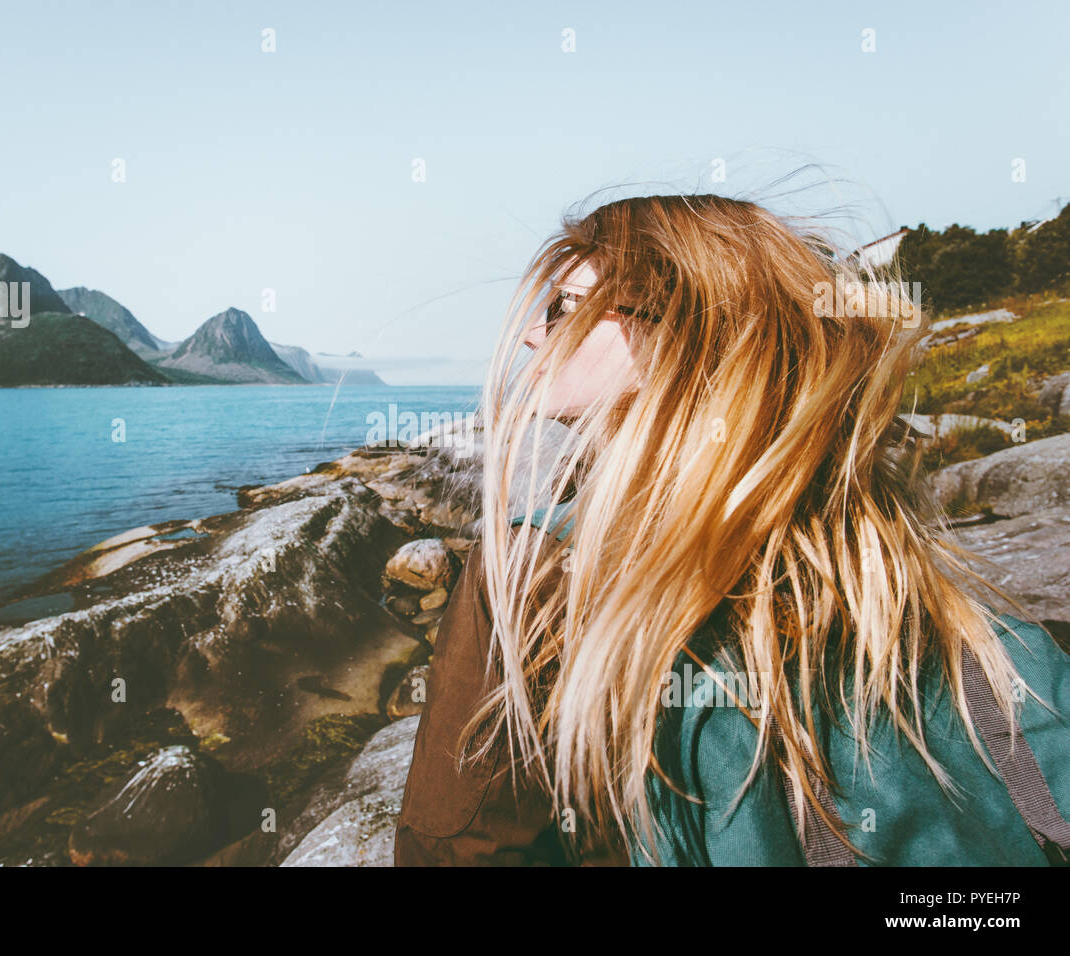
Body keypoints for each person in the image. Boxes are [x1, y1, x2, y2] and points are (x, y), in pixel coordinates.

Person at [396, 193, 1070, 866]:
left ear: (684, 337)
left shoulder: (541, 569)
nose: (533, 335)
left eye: (566, 308)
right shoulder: (890, 567)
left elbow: (460, 849)